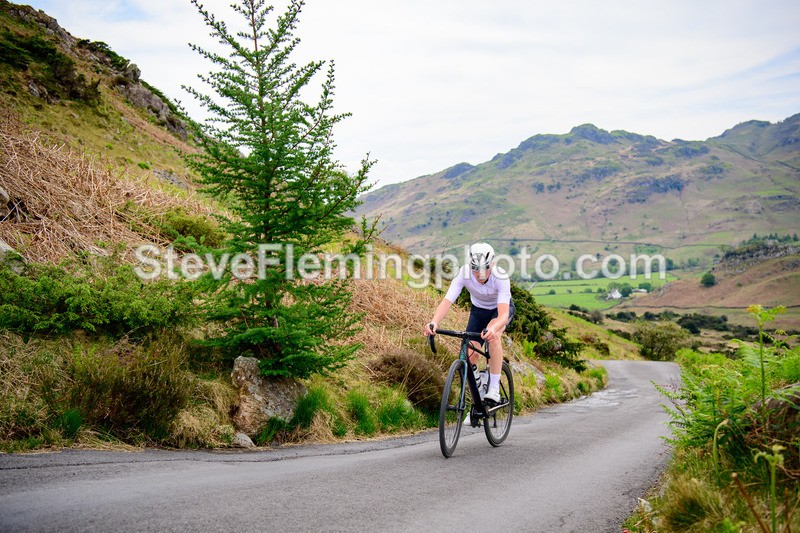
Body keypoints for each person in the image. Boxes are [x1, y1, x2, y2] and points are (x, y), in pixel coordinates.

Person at [424, 242, 515, 404]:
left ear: (492, 264)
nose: (480, 274)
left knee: (493, 337)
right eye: (475, 269)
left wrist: (493, 329)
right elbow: (447, 301)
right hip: (478, 311)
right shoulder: (463, 274)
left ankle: (493, 387)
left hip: (499, 311)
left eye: (485, 268)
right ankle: (478, 398)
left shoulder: (501, 277)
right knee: (470, 354)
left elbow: (503, 315)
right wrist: (434, 322)